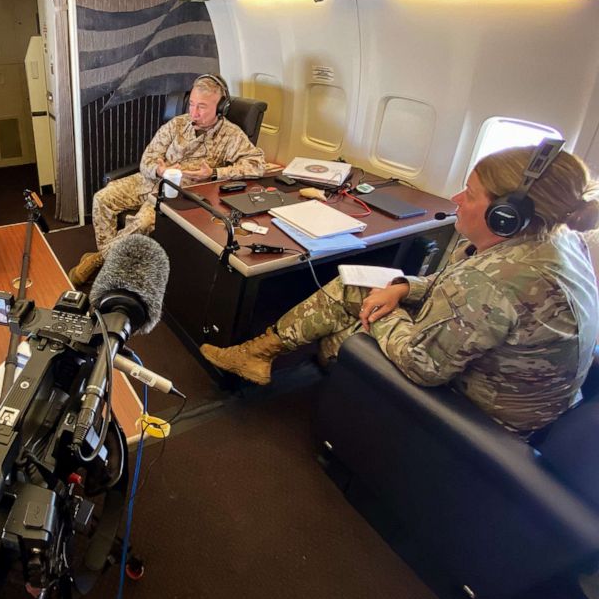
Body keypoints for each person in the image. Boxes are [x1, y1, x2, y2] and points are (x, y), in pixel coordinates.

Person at [201, 145, 599, 436]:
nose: (457, 200)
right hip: (523, 394)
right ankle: (258, 353)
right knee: (355, 284)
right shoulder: (557, 241)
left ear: (507, 217)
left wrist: (385, 312)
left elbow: (422, 365)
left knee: (340, 336)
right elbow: (466, 300)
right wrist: (405, 286)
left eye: (471, 195)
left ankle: (304, 384)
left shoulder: (492, 282)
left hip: (482, 418)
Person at [68, 75, 267, 286]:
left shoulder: (231, 135)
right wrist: (160, 169)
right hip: (149, 180)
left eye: (202, 107)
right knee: (102, 198)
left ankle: (98, 260)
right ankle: (111, 263)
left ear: (220, 108)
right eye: (191, 104)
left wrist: (216, 174)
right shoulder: (177, 124)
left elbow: (257, 165)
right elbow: (147, 160)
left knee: (144, 222)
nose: (194, 112)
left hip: (177, 194)